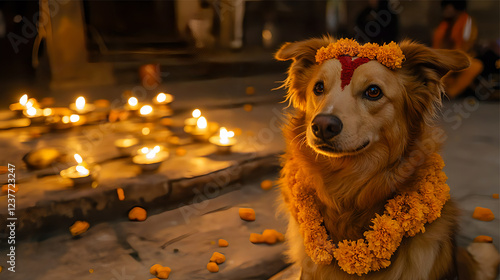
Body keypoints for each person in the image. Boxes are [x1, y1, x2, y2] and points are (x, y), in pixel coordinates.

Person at [433, 0, 483, 98]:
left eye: (448, 7)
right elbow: (436, 47)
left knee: (476, 66)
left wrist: (452, 60)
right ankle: (439, 91)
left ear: (456, 8)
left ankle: (450, 92)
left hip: (459, 59)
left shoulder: (467, 22)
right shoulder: (443, 25)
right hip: (442, 59)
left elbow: (465, 46)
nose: (445, 10)